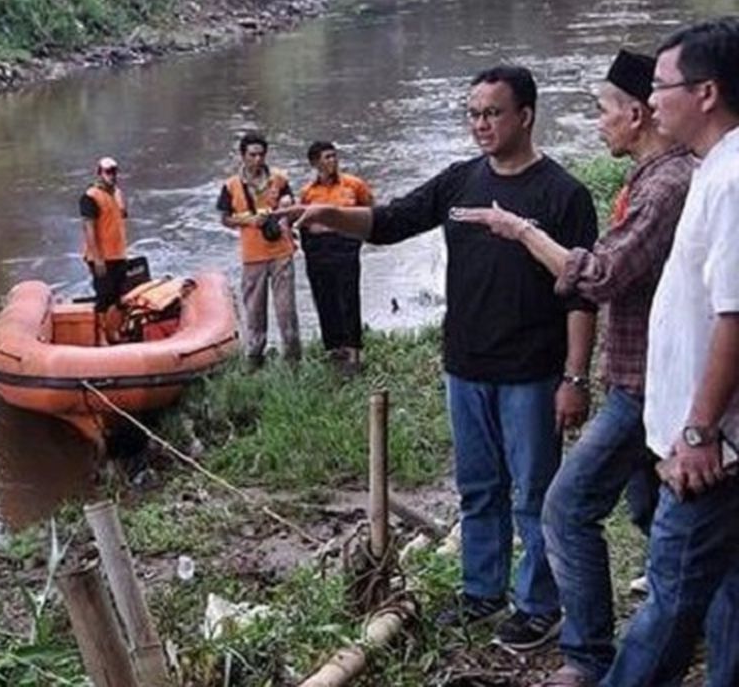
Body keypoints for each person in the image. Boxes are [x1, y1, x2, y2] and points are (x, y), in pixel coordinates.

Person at [278, 65, 598, 651]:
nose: (480, 124)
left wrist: (575, 378)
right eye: (473, 113)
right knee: (478, 488)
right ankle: (483, 592)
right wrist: (328, 215)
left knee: (533, 494)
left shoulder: (563, 194)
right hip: (465, 366)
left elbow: (581, 295)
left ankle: (540, 604)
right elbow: (392, 220)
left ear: (525, 115)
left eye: (492, 113)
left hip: (532, 370)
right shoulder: (460, 182)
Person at [453, 50, 695, 687]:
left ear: (638, 113)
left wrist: (520, 231)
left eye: (602, 111)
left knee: (563, 506)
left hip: (647, 384)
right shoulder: (648, 179)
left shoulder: (666, 186)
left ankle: (588, 654)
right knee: (655, 513)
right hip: (643, 377)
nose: (597, 124)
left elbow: (601, 274)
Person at [597, 19, 739, 687]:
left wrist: (698, 431)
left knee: (668, 606)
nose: (650, 103)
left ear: (706, 93)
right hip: (713, 443)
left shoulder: (732, 181)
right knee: (728, 597)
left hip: (711, 452)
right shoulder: (717, 169)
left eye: (661, 87)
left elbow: (734, 317)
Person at [217, 132, 301, 368]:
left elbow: (292, 208)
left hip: (281, 251)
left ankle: (293, 359)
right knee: (254, 310)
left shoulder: (279, 179)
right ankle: (254, 357)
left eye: (261, 154)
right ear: (243, 156)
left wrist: (284, 211)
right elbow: (224, 218)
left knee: (286, 309)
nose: (257, 159)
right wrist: (248, 221)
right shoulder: (231, 185)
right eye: (252, 154)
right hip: (252, 256)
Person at [299, 141, 373, 371]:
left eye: (334, 156)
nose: (332, 162)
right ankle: (334, 349)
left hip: (345, 246)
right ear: (315, 163)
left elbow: (369, 209)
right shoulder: (308, 192)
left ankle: (354, 351)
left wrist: (357, 237)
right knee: (324, 298)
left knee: (349, 298)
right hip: (318, 249)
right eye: (326, 158)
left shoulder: (353, 185)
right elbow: (302, 221)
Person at [80, 156, 128, 343]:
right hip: (101, 257)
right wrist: (98, 259)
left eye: (114, 171)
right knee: (104, 296)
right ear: (99, 173)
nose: (112, 175)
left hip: (119, 253)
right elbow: (89, 229)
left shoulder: (117, 193)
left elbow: (121, 217)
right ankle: (100, 336)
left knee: (118, 297)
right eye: (108, 172)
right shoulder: (90, 197)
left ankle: (113, 331)